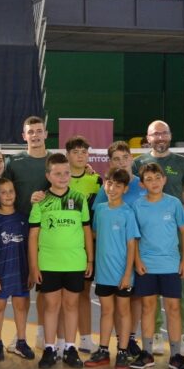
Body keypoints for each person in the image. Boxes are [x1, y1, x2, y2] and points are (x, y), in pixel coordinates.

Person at [132, 120, 184, 357]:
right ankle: (156, 334)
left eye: (163, 133)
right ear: (147, 138)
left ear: (170, 136)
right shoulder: (138, 164)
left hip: (175, 237)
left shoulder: (182, 163)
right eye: (154, 134)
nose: (159, 138)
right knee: (148, 293)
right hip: (147, 239)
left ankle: (182, 335)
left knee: (181, 288)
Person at [28, 152, 93, 369]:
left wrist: (90, 260)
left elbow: (86, 231)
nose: (63, 177)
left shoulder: (79, 199)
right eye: (58, 173)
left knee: (71, 305)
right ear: (48, 176)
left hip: (75, 262)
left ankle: (70, 348)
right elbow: (34, 235)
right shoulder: (40, 201)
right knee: (51, 305)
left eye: (66, 173)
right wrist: (34, 265)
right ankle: (49, 348)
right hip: (49, 263)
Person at [2, 115, 51, 350]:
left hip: (49, 234)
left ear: (45, 134)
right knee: (17, 287)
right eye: (30, 132)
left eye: (38, 131)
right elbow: (3, 191)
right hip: (18, 234)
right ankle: (9, 336)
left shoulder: (56, 161)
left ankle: (43, 333)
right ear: (24, 136)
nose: (35, 135)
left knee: (45, 287)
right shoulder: (14, 162)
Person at [85, 168, 138, 369]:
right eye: (109, 184)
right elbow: (97, 234)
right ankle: (104, 350)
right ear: (104, 185)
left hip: (123, 274)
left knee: (123, 311)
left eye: (118, 185)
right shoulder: (99, 209)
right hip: (104, 274)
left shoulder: (127, 213)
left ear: (125, 189)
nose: (112, 188)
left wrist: (127, 274)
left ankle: (123, 351)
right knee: (106, 311)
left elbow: (132, 244)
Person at [0, 177, 33, 361]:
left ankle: (21, 341)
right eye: (3, 192)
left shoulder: (23, 218)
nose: (8, 195)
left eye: (11, 191)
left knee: (21, 305)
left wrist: (31, 271)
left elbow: (30, 247)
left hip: (21, 269)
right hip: (1, 270)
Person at [66, 135, 102, 355]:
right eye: (76, 152)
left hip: (87, 244)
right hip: (65, 244)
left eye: (84, 152)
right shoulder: (60, 177)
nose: (80, 156)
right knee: (64, 295)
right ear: (68, 155)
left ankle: (86, 338)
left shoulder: (96, 180)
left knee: (84, 292)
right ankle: (60, 339)